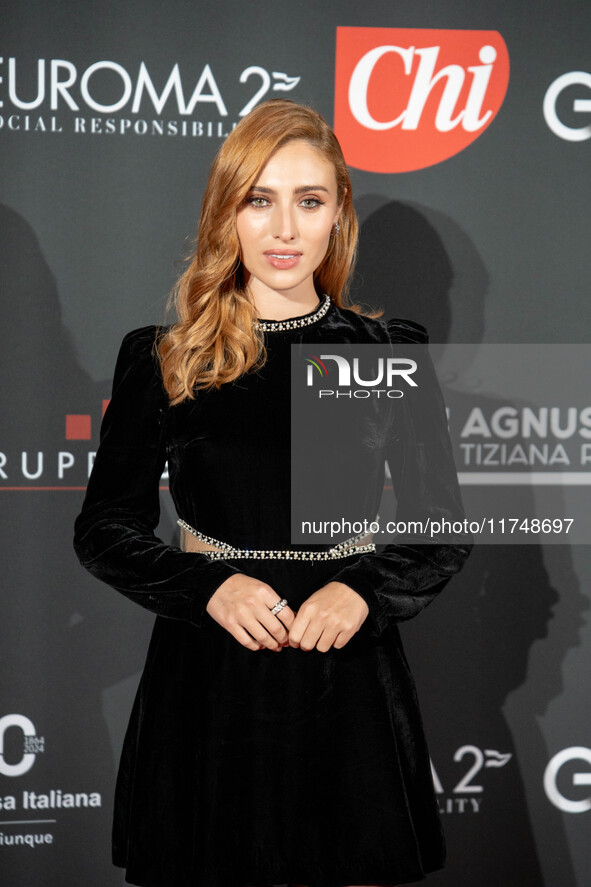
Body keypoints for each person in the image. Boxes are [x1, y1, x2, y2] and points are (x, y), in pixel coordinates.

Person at [73, 99, 471, 887]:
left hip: (346, 677)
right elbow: (105, 526)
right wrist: (205, 585)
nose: (284, 229)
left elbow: (440, 528)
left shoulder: (387, 352)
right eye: (260, 198)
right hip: (209, 676)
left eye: (308, 200)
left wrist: (360, 589)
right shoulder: (164, 356)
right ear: (228, 211)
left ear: (337, 216)